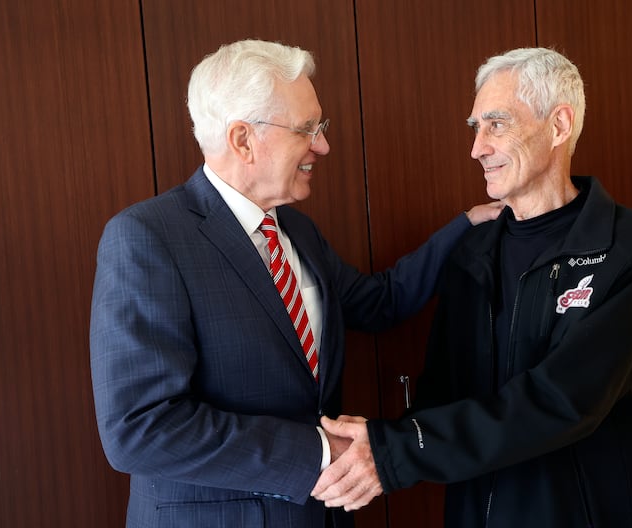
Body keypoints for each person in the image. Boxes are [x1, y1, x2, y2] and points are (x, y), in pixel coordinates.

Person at [89, 39, 501, 528]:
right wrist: (320, 451)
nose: (322, 145)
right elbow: (140, 430)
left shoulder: (298, 231)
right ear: (243, 139)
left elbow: (380, 301)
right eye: (307, 129)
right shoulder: (146, 237)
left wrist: (465, 227)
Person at [312, 47, 632, 527]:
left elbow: (563, 399)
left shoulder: (628, 244)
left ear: (559, 126)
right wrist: (378, 442)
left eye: (496, 124)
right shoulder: (471, 255)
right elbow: (440, 399)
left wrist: (395, 449)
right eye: (475, 127)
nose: (477, 148)